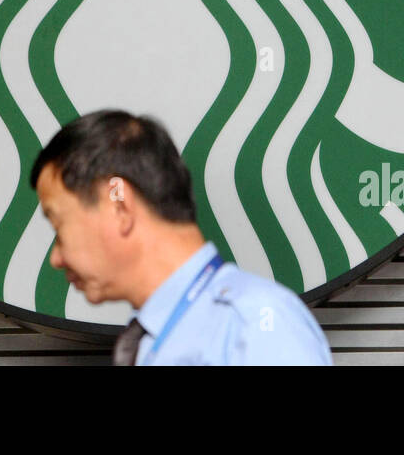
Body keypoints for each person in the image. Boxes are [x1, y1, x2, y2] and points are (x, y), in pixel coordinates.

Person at [30, 108, 333, 365]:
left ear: (120, 206)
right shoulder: (150, 339)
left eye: (58, 225)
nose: (56, 258)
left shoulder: (255, 325)